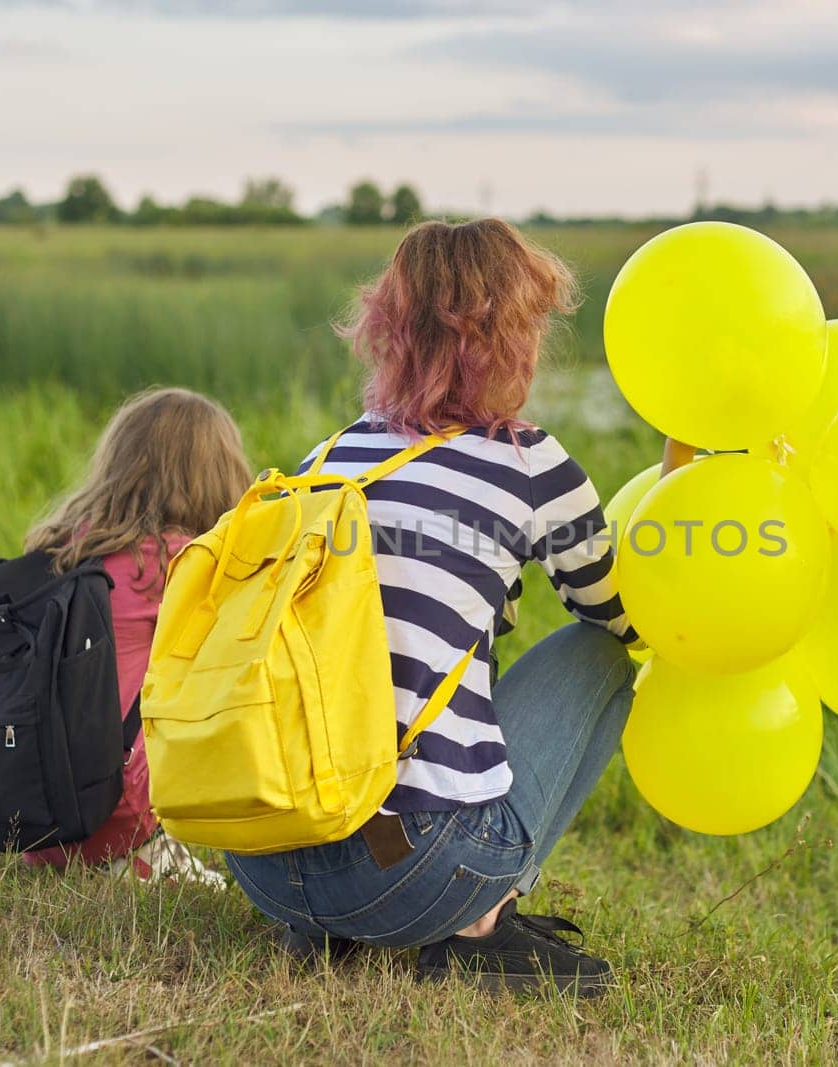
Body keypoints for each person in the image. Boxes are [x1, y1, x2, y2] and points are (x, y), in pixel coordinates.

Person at [226, 219, 642, 996]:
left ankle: (333, 926)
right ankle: (482, 922)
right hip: (413, 870)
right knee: (602, 656)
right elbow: (620, 617)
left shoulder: (332, 455)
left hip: (266, 855)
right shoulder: (528, 461)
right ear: (513, 335)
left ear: (389, 327)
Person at [23, 386, 252, 883]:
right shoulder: (178, 562)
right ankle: (148, 854)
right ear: (215, 475)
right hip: (116, 815)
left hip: (36, 820)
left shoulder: (64, 544)